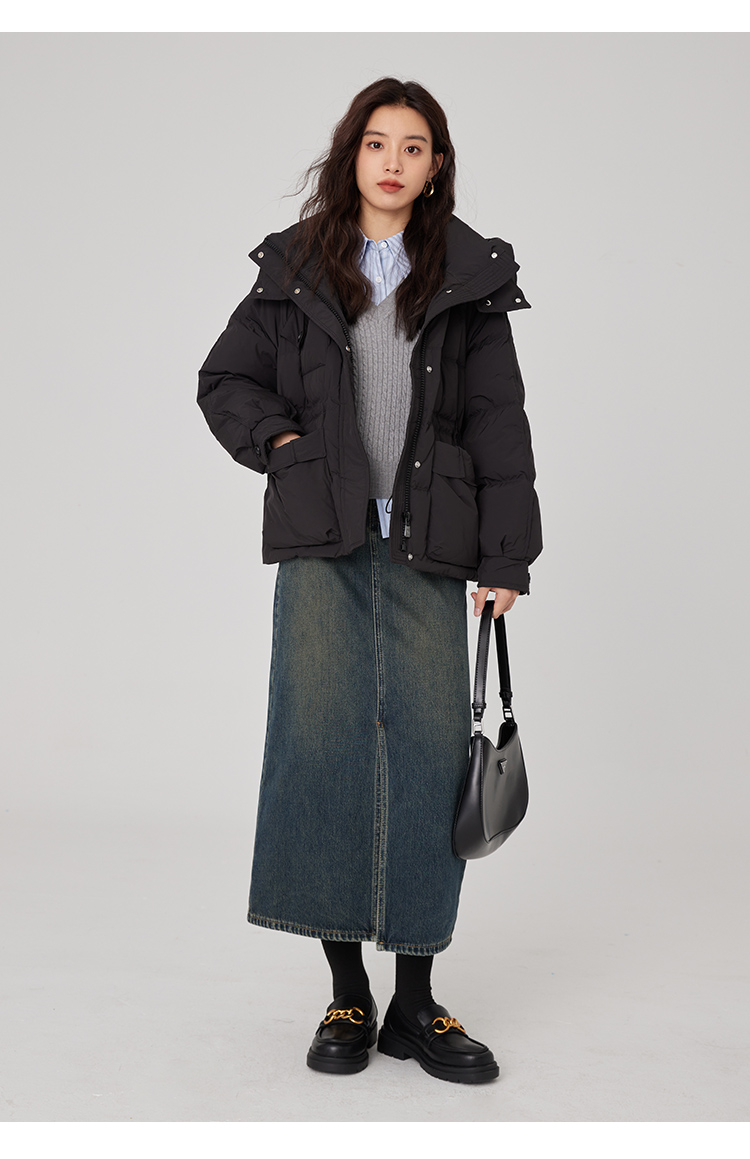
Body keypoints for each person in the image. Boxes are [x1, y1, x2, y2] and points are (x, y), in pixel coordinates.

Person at [196, 76, 543, 1086]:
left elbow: (500, 425)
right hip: (324, 544)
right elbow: (224, 380)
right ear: (352, 155)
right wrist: (284, 444)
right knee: (322, 750)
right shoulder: (297, 269)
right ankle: (347, 991)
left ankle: (416, 1001)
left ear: (435, 168)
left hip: (431, 546)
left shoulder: (468, 278)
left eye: (414, 146)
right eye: (377, 142)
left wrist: (507, 556)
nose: (394, 160)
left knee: (430, 760)